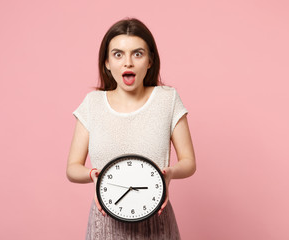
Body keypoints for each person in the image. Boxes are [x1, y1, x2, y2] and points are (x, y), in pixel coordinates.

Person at [66, 17, 196, 240]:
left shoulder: (168, 99)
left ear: (150, 61)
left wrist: (170, 173)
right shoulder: (92, 103)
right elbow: (72, 168)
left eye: (137, 53)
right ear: (107, 62)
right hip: (105, 224)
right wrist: (93, 175)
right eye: (118, 54)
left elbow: (189, 162)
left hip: (157, 223)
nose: (128, 62)